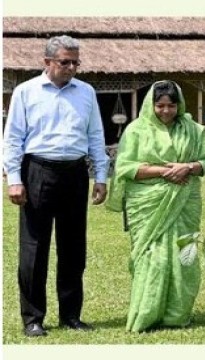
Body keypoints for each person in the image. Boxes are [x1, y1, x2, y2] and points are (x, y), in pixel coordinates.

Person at [3, 35, 109, 337]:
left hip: (75, 173)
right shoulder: (26, 92)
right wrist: (14, 179)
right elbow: (12, 139)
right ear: (47, 62)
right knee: (33, 249)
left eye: (76, 62)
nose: (72, 67)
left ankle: (71, 315)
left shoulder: (86, 92)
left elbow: (95, 136)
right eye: (65, 62)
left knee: (74, 248)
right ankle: (33, 318)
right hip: (37, 170)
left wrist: (100, 176)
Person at [106, 80, 205, 332]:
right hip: (147, 204)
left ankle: (176, 314)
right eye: (160, 106)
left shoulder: (192, 129)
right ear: (151, 105)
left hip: (184, 201)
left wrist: (188, 167)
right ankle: (146, 313)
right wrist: (165, 171)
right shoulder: (136, 130)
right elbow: (125, 168)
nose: (166, 111)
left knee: (183, 257)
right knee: (150, 258)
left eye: (171, 106)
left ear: (179, 106)